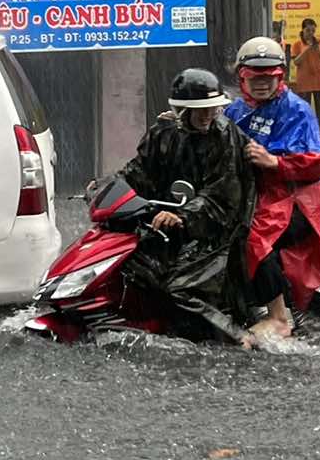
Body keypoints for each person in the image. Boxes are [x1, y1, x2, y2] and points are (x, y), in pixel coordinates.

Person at [110, 67, 258, 346]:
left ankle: (239, 337)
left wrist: (181, 216)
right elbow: (137, 173)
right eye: (199, 109)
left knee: (177, 286)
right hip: (175, 227)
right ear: (181, 110)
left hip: (216, 232)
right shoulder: (162, 134)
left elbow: (220, 194)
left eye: (212, 109)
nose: (207, 115)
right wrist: (107, 188)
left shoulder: (224, 136)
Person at [225, 36, 320, 342]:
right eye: (254, 78)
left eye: (269, 77)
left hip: (294, 199)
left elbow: (318, 163)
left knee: (255, 238)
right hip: (252, 195)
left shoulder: (297, 110)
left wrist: (274, 161)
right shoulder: (235, 110)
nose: (261, 84)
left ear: (280, 77)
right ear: (242, 78)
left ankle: (277, 318)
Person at [288, 17, 320, 135]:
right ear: (303, 30)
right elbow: (296, 62)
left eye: (313, 31)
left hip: (319, 80)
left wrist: (318, 50)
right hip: (304, 81)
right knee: (303, 107)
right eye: (308, 30)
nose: (311, 33)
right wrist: (307, 49)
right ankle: (303, 130)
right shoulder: (297, 44)